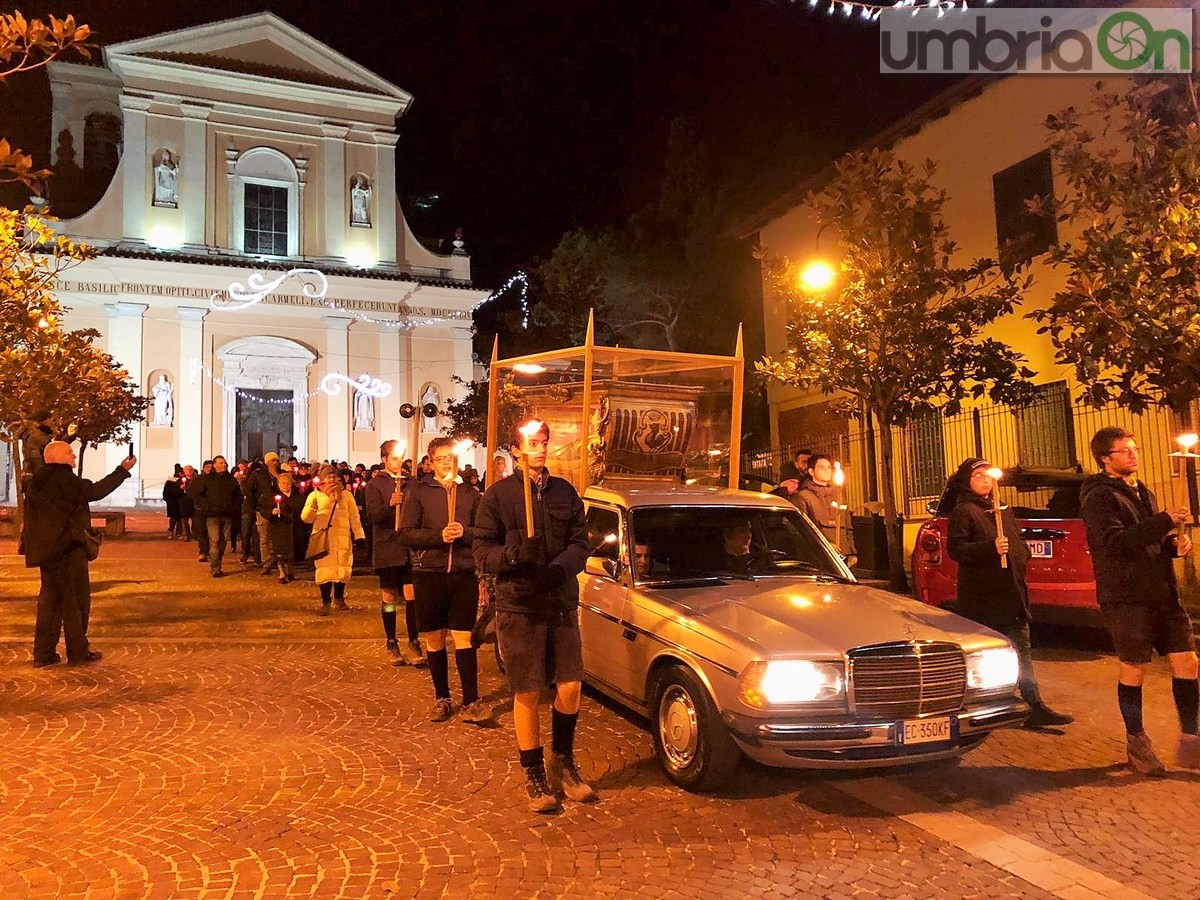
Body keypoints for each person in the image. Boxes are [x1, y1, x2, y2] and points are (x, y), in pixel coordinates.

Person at [474, 420, 594, 812]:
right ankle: (534, 772)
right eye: (532, 443)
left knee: (570, 687)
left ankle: (563, 761)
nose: (540, 449)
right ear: (516, 448)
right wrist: (513, 557)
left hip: (558, 600)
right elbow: (483, 552)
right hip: (519, 605)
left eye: (544, 442)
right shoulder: (497, 496)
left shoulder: (564, 492)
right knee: (527, 691)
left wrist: (560, 569)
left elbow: (581, 541)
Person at [1080, 426, 1199, 774]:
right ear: (1105, 458)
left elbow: (1147, 540)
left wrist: (1170, 546)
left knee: (1188, 662)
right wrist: (1164, 520)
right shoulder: (1098, 496)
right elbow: (1115, 543)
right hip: (1126, 596)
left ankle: (1191, 740)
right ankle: (1137, 742)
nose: (1133, 455)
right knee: (1134, 667)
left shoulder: (1141, 491)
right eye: (1124, 450)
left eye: (1135, 448)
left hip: (1161, 592)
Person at [945, 458, 1073, 730]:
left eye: (988, 476)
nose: (985, 480)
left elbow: (1015, 542)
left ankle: (1034, 704)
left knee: (1023, 652)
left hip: (1012, 595)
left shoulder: (1001, 511)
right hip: (984, 599)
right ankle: (982, 706)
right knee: (986, 657)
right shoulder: (964, 511)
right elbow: (957, 550)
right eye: (978, 476)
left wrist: (1021, 553)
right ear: (967, 481)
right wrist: (990, 548)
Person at [21, 441, 135, 666]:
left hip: (46, 550)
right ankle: (78, 651)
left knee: (50, 602)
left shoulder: (37, 481)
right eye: (69, 452)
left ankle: (43, 653)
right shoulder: (63, 478)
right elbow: (94, 491)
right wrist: (122, 471)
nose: (73, 455)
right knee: (76, 601)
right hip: (67, 548)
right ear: (55, 457)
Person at [401, 437, 489, 723]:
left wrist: (465, 531)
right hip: (429, 572)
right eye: (440, 458)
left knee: (464, 637)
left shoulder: (470, 494)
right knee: (436, 636)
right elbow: (406, 534)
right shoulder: (418, 491)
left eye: (450, 457)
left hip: (462, 572)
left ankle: (471, 700)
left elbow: (484, 531)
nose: (446, 462)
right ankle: (442, 696)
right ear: (431, 462)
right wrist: (438, 536)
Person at [364, 440, 425, 666]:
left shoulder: (412, 483)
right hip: (387, 547)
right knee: (389, 597)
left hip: (409, 548)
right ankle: (391, 641)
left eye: (401, 458)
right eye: (394, 458)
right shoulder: (375, 485)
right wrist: (390, 505)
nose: (399, 463)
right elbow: (373, 517)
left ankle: (414, 640)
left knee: (412, 596)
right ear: (384, 459)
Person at [302, 463, 366, 616]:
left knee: (342, 570)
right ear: (322, 479)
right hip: (325, 539)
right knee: (325, 571)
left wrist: (359, 535)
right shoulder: (315, 495)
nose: (331, 479)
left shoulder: (346, 495)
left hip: (343, 538)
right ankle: (325, 601)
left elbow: (354, 517)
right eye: (328, 477)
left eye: (333, 476)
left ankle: (339, 598)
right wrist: (313, 508)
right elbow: (306, 518)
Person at [190, 455, 241, 578]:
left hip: (227, 514)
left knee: (223, 542)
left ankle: (218, 563)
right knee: (215, 541)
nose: (224, 465)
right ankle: (215, 567)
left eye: (225, 463)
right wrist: (205, 506)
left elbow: (238, 496)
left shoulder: (231, 480)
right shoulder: (207, 479)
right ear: (215, 465)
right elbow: (195, 494)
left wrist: (234, 507)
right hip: (212, 515)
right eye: (221, 463)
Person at [246, 452, 282, 576]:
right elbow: (249, 491)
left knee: (276, 537)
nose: (275, 463)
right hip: (263, 509)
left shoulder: (281, 474)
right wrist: (256, 505)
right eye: (272, 461)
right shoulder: (258, 474)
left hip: (278, 509)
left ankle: (276, 561)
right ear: (267, 462)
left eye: (277, 460)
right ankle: (266, 563)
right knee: (264, 538)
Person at [262, 471, 301, 584]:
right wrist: (272, 512)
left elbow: (300, 506)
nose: (285, 486)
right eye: (282, 483)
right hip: (279, 527)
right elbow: (264, 509)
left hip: (293, 527)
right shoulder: (273, 496)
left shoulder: (297, 495)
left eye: (287, 483)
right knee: (279, 551)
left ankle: (290, 571)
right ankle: (282, 573)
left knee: (291, 550)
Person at [795, 454, 840, 547]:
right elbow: (803, 527)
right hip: (821, 552)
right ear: (811, 471)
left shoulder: (838, 495)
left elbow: (847, 526)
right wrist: (826, 544)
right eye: (822, 467)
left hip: (843, 553)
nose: (827, 471)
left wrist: (851, 551)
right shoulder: (804, 496)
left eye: (829, 467)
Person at [188, 460, 214, 563]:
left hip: (213, 510)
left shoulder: (216, 480)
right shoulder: (197, 480)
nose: (210, 469)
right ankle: (203, 552)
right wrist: (198, 502)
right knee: (202, 533)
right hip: (200, 510)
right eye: (207, 467)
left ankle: (212, 552)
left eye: (211, 467)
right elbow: (191, 493)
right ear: (203, 468)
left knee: (214, 534)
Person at [163, 463, 185, 538]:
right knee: (177, 519)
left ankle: (173, 532)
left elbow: (165, 494)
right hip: (176, 503)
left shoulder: (169, 481)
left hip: (173, 503)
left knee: (175, 519)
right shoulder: (178, 482)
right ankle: (176, 532)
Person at [178, 465, 196, 541]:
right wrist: (180, 488)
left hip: (194, 502)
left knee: (195, 520)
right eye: (187, 470)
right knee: (185, 520)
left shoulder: (196, 480)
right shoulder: (179, 480)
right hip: (184, 502)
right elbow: (175, 492)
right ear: (184, 471)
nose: (189, 471)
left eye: (190, 470)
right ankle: (186, 534)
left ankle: (195, 534)